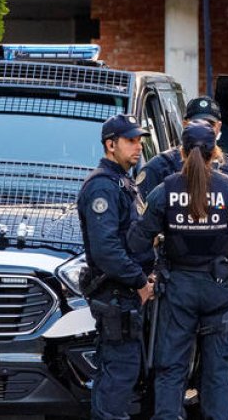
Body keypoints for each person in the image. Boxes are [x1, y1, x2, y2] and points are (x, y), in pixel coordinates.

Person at [137, 96, 228, 420]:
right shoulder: (223, 185)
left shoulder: (170, 186)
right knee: (219, 373)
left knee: (171, 369)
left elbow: (136, 235)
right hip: (215, 286)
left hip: (179, 287)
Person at [76, 113, 157, 420]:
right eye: (130, 141)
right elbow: (106, 249)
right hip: (117, 296)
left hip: (126, 295)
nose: (138, 147)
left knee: (124, 373)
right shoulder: (103, 187)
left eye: (139, 141)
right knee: (117, 376)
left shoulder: (121, 182)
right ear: (111, 144)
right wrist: (139, 282)